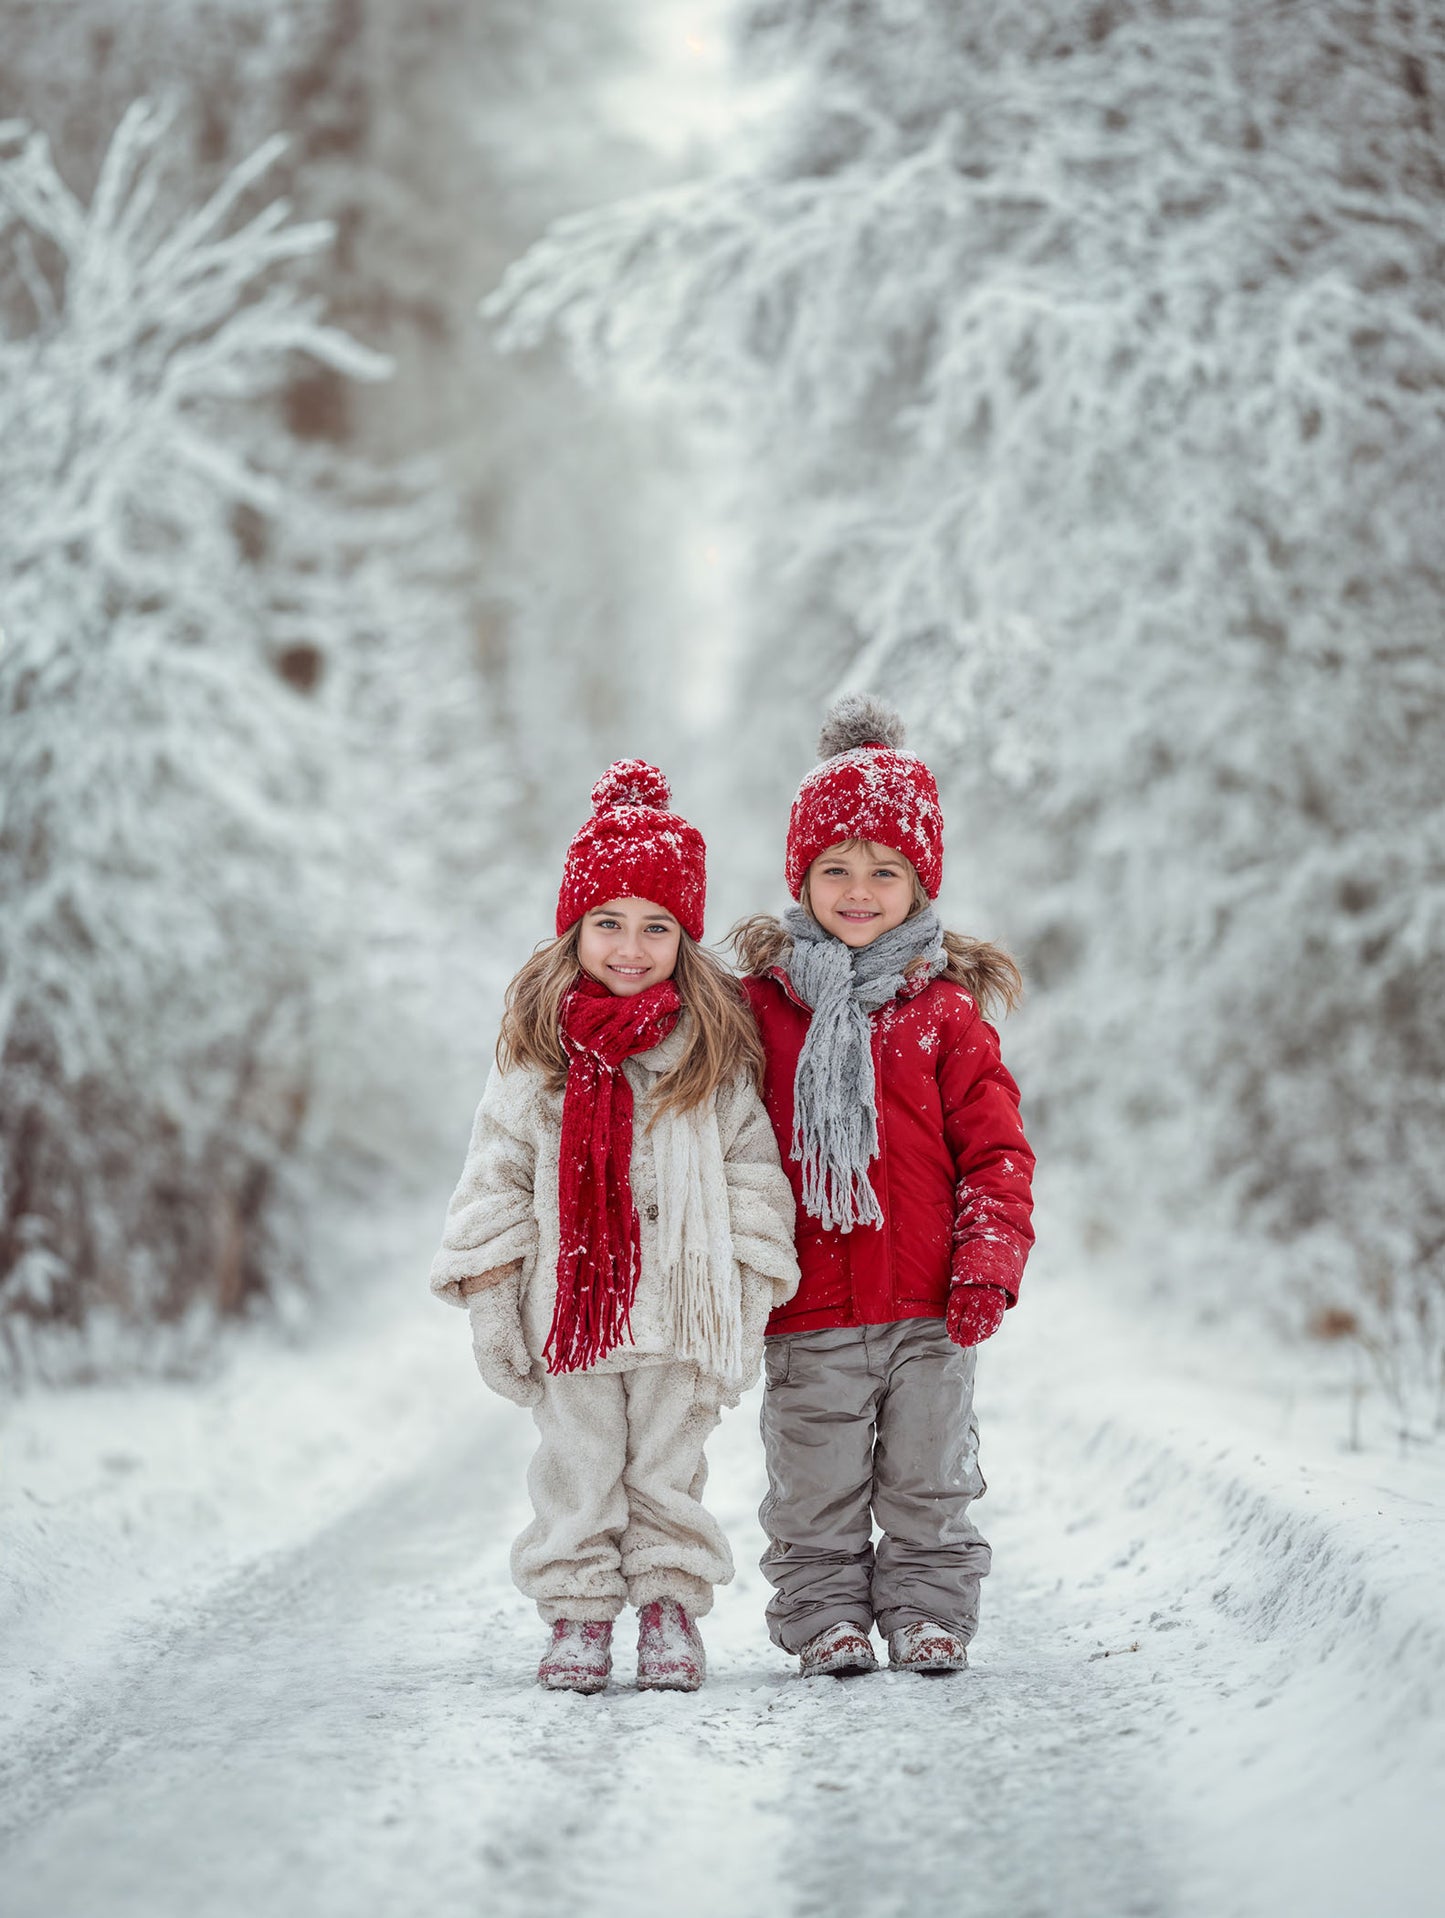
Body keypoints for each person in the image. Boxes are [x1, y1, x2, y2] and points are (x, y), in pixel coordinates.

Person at [430, 760, 799, 1695]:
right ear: (573, 929)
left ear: (683, 937)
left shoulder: (712, 1054)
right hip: (568, 1307)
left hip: (685, 1303)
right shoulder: (536, 1051)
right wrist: (488, 1296)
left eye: (655, 927)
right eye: (608, 924)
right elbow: (497, 1174)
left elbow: (753, 1173)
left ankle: (669, 1604)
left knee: (669, 1467)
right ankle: (578, 1613)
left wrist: (751, 1289)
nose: (629, 948)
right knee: (577, 1467)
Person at [733, 695, 1035, 1678]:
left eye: (883, 871)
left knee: (925, 1476)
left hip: (927, 1304)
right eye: (835, 869)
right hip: (808, 1302)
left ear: (918, 882)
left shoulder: (944, 1016)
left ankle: (926, 1608)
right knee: (813, 1483)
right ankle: (824, 1615)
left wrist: (986, 1257)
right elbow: (711, 1125)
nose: (857, 889)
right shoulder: (762, 1011)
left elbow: (995, 1152)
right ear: (801, 877)